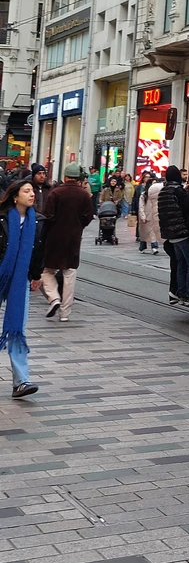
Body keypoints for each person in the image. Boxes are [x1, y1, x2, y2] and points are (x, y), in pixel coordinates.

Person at [0, 178, 44, 397]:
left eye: (33, 191)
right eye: (27, 191)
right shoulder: (2, 218)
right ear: (15, 196)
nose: (32, 194)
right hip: (1, 275)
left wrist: (36, 275)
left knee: (17, 327)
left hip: (20, 280)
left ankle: (21, 381)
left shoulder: (38, 221)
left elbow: (39, 251)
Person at [39, 163, 95, 323]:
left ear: (65, 176)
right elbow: (88, 216)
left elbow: (48, 216)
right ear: (78, 178)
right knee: (69, 273)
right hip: (73, 238)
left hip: (54, 237)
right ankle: (65, 313)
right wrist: (78, 225)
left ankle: (54, 297)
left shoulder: (56, 193)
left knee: (46, 270)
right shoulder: (84, 195)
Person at [158, 165, 189, 307]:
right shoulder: (177, 190)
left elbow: (175, 203)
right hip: (182, 232)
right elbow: (188, 204)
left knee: (181, 264)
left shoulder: (164, 191)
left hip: (172, 235)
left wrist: (184, 191)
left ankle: (181, 293)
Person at [134, 171, 158, 253]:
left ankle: (154, 246)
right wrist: (142, 216)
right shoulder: (144, 195)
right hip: (146, 215)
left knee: (153, 232)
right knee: (144, 232)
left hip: (154, 216)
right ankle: (143, 246)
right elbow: (141, 206)